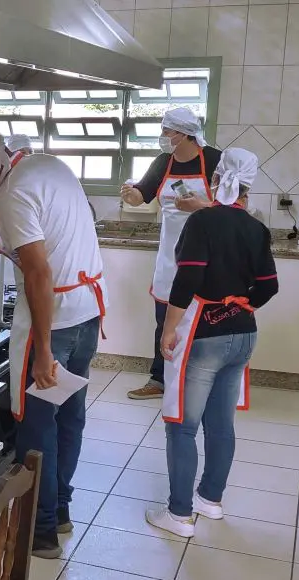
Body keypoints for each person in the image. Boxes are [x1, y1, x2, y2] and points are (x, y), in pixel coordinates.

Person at [0, 128, 106, 559]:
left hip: (55, 321)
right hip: (87, 311)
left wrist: (42, 352)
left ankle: (38, 534)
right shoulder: (47, 165)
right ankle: (59, 511)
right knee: (69, 416)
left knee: (37, 425)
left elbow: (39, 274)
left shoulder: (12, 190)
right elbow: (53, 236)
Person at [143, 148, 278, 538]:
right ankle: (210, 500)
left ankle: (180, 514)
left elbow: (185, 281)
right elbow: (269, 286)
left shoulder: (202, 220)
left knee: (182, 425)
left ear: (217, 179)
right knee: (220, 424)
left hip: (203, 333)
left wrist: (169, 329)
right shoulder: (255, 226)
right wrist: (240, 304)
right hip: (244, 333)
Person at [120, 107, 222, 401]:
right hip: (170, 257)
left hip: (208, 256)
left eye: (167, 131)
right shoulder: (163, 162)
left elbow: (235, 206)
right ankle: (160, 379)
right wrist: (131, 194)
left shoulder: (215, 160)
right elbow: (143, 194)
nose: (163, 136)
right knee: (165, 320)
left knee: (204, 320)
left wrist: (201, 206)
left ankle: (202, 381)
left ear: (185, 133)